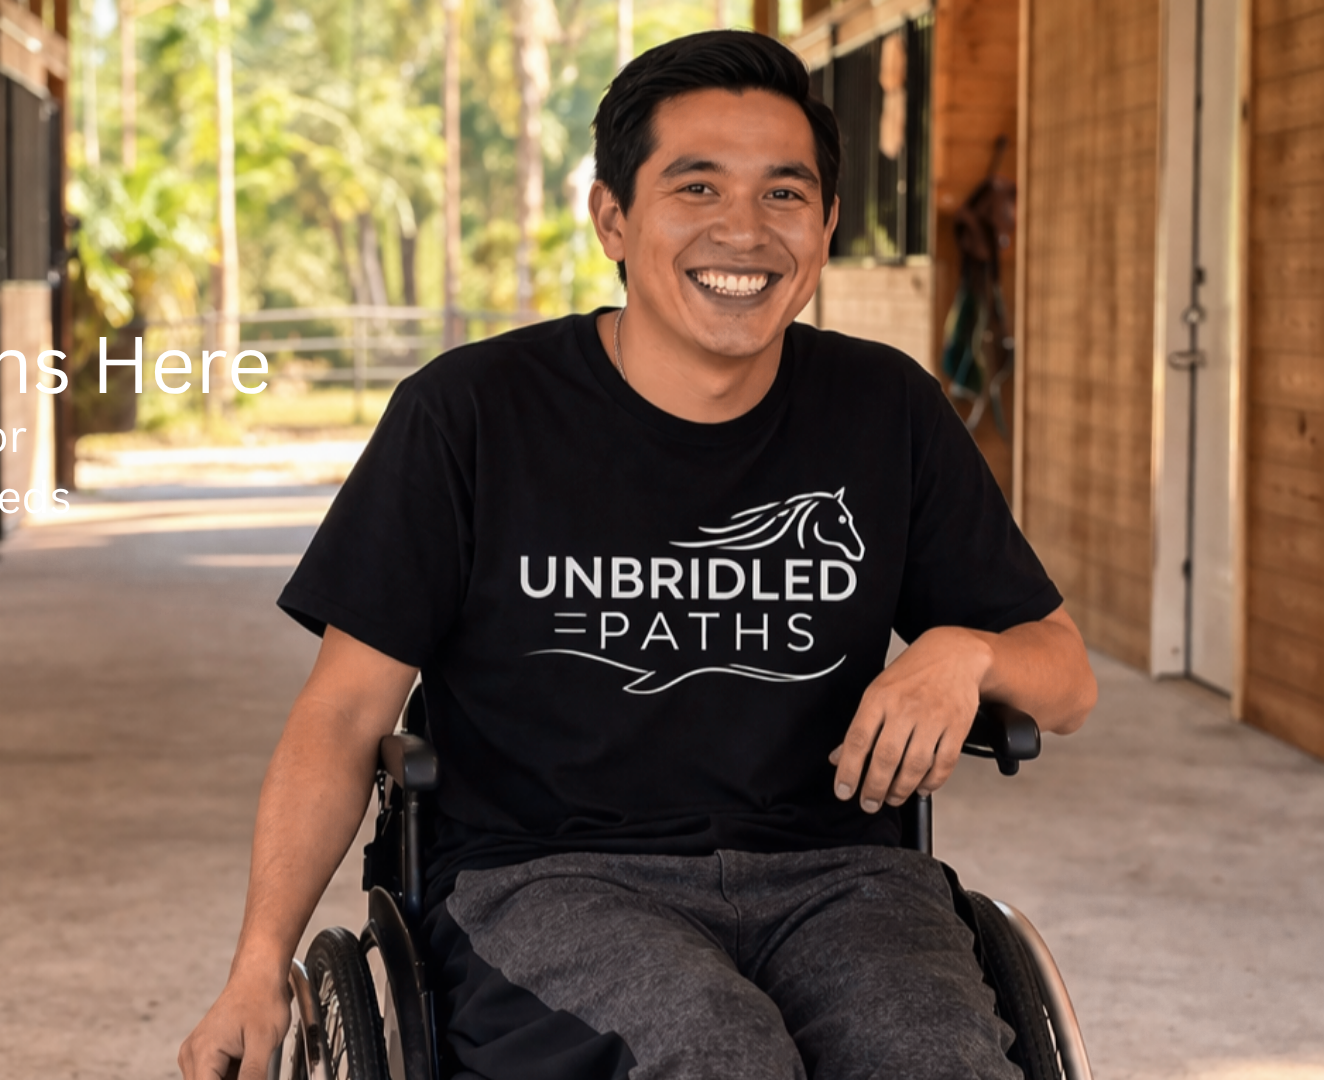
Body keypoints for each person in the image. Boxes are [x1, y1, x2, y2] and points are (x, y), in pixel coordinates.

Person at [179, 29, 1096, 1080]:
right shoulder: (470, 415)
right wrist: (258, 968)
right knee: (715, 1052)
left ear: (828, 224)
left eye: (783, 194)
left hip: (844, 879)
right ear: (612, 218)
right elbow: (343, 714)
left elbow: (1065, 677)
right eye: (696, 188)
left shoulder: (886, 410)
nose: (743, 230)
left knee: (934, 1059)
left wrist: (967, 653)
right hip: (548, 879)